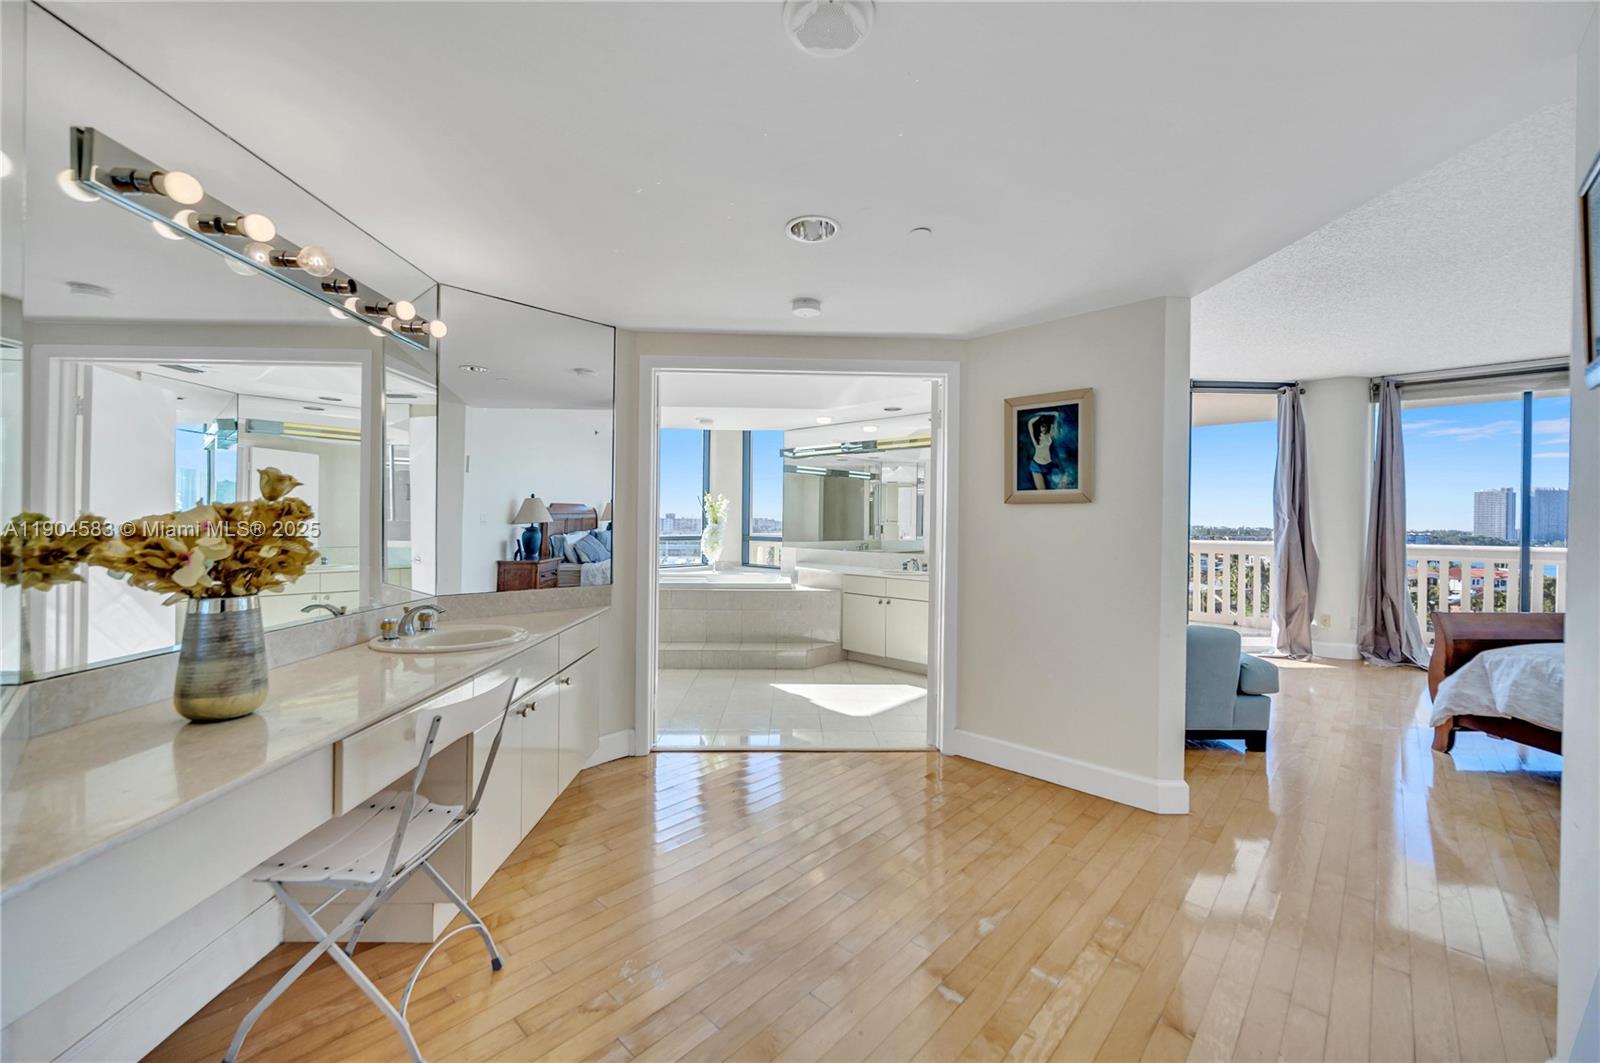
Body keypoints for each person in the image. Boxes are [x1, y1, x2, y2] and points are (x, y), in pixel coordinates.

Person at [1027, 412, 1058, 490]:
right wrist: (1040, 416)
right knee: (1042, 491)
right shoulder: (1035, 437)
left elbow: (1056, 418)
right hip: (1036, 465)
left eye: (1045, 426)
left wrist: (1052, 416)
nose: (1043, 428)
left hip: (1048, 465)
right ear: (1039, 427)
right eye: (1042, 426)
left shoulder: (1050, 435)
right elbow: (1030, 423)